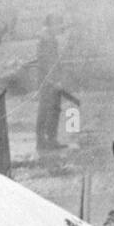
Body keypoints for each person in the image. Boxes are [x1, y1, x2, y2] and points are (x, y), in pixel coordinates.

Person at [36, 15, 69, 153]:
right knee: (47, 111)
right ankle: (44, 141)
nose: (60, 27)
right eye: (58, 24)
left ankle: (50, 140)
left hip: (51, 81)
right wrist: (54, 81)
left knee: (53, 110)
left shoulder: (49, 39)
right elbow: (46, 64)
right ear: (50, 25)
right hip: (48, 82)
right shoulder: (46, 40)